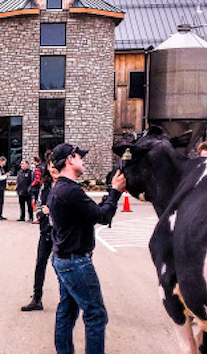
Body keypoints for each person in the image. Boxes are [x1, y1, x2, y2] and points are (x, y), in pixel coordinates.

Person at [47, 142, 126, 354]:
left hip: (63, 259)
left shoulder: (61, 189)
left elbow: (89, 214)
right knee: (95, 315)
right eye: (79, 156)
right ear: (70, 160)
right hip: (75, 262)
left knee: (67, 310)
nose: (83, 160)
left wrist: (108, 195)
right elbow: (103, 216)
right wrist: (115, 192)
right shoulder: (71, 190)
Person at [21, 158, 59, 312]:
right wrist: (40, 216)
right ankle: (37, 299)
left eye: (57, 165)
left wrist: (52, 212)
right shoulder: (46, 187)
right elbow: (38, 205)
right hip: (46, 232)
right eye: (51, 166)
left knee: (63, 266)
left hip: (61, 234)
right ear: (48, 168)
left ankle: (70, 300)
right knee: (40, 264)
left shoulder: (66, 186)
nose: (54, 168)